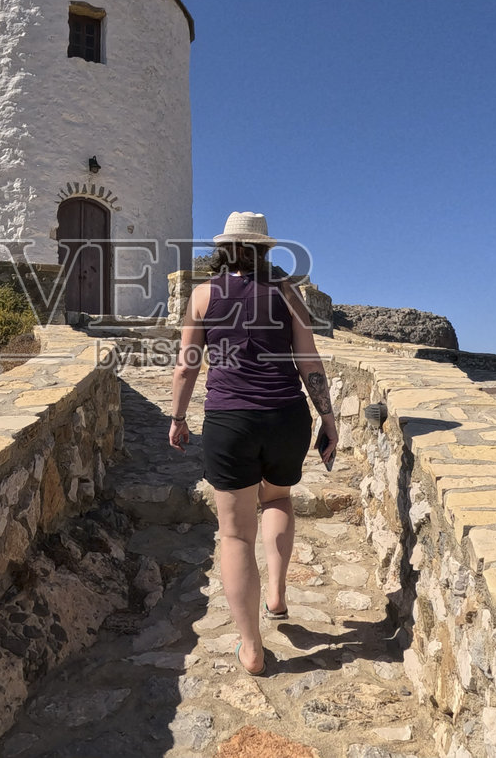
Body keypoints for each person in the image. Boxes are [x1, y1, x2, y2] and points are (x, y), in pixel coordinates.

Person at [168, 211, 338, 676]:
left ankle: (251, 646)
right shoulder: (287, 293)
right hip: (286, 417)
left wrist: (179, 417)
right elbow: (310, 361)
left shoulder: (203, 294)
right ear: (266, 249)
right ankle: (278, 596)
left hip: (229, 422)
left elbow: (187, 366)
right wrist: (329, 418)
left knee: (235, 532)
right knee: (278, 497)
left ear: (224, 250)